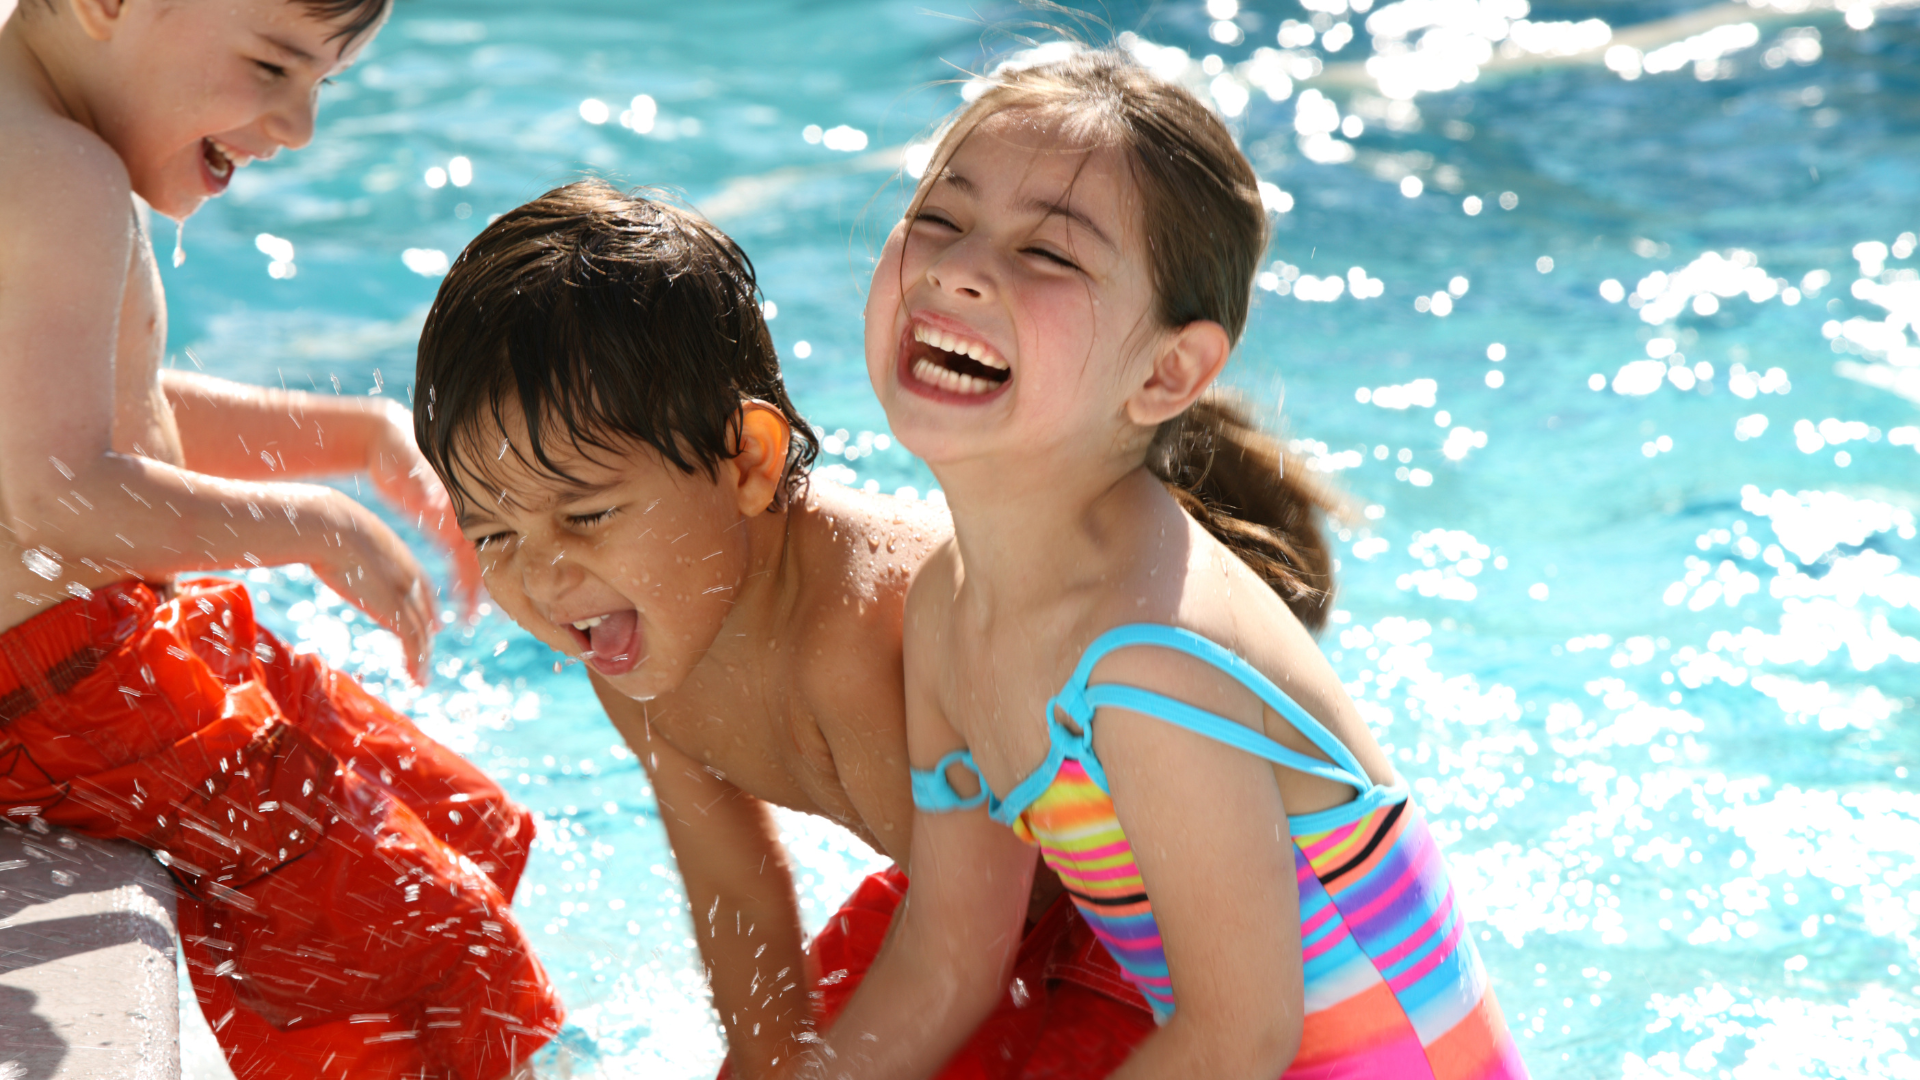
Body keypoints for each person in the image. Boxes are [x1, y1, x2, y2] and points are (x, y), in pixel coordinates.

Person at [410, 179, 1341, 1079]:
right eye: (494, 531)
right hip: (963, 908)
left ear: (746, 461)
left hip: (1142, 933)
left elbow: (968, 962)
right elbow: (737, 900)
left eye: (586, 516)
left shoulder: (868, 638)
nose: (541, 575)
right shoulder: (632, 653)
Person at [777, 47, 1530, 1080]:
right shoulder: (955, 605)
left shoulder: (1151, 662)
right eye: (943, 218)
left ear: (1168, 370)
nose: (959, 266)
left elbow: (1238, 1038)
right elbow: (949, 963)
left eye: (1050, 253)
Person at [0, 0, 559, 1075]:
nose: (298, 124)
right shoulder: (56, 173)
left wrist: (350, 439)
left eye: (323, 81)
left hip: (95, 670)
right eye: (272, 64)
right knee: (440, 935)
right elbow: (56, 492)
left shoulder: (37, 143)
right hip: (63, 695)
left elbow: (95, 414)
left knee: (457, 815)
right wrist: (311, 528)